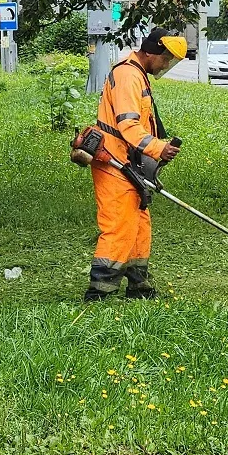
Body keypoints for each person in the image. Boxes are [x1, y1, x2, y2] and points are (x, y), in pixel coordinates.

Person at [84, 27, 187, 302]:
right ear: (154, 52)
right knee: (119, 228)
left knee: (139, 227)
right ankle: (99, 294)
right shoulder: (128, 75)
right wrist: (158, 148)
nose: (166, 65)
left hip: (130, 165)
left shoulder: (137, 74)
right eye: (166, 59)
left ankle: (139, 287)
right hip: (114, 164)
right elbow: (128, 125)